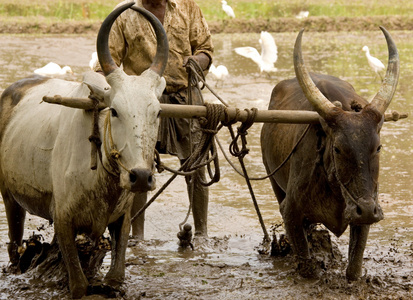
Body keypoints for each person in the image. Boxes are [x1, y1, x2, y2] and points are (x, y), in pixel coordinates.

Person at [95, 0, 214, 239]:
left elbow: (205, 50)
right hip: (140, 101)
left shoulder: (188, 7)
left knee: (196, 164)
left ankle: (202, 233)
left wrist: (198, 61)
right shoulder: (124, 14)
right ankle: (136, 234)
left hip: (184, 95)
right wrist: (100, 87)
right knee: (138, 163)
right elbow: (107, 64)